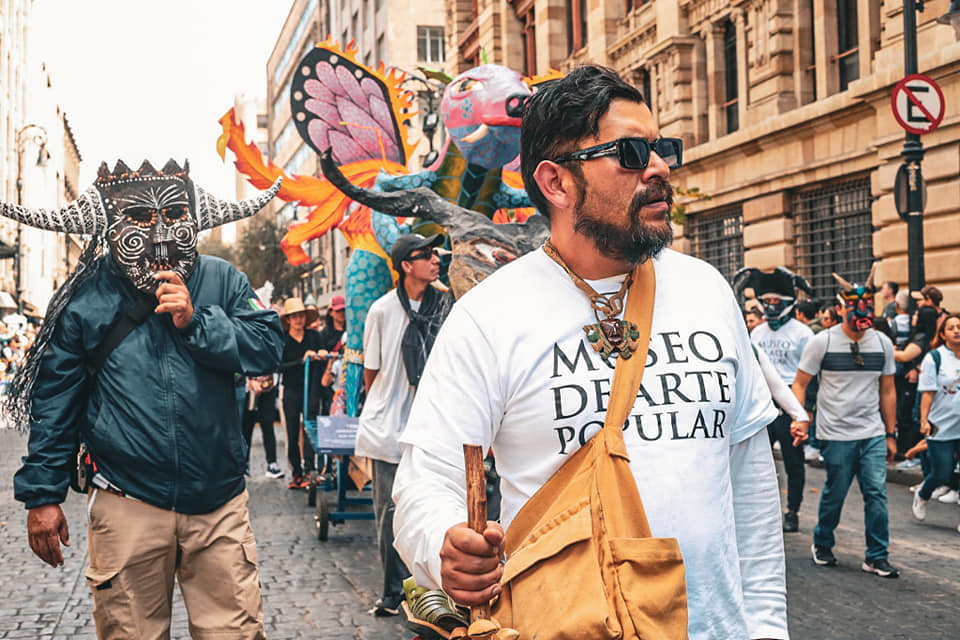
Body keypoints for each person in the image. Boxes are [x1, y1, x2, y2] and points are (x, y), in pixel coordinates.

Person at [392, 65, 787, 640]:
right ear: (556, 183)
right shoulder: (488, 314)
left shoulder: (707, 291)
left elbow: (747, 482)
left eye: (660, 149)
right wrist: (445, 544)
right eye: (630, 153)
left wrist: (767, 628)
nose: (658, 169)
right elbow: (426, 480)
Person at [9, 160, 284, 639]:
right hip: (127, 499)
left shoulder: (224, 279)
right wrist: (42, 496)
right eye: (137, 218)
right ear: (111, 230)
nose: (159, 234)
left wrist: (198, 322)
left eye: (175, 214)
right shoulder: (86, 298)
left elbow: (267, 348)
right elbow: (56, 402)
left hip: (218, 501)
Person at [357, 232, 450, 617]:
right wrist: (388, 407)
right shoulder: (381, 310)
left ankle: (432, 591)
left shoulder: (445, 306)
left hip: (431, 428)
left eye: (435, 254)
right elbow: (371, 373)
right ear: (406, 266)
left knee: (436, 507)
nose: (435, 260)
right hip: (388, 428)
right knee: (389, 515)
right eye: (425, 255)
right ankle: (392, 591)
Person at [791, 269, 899, 578]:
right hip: (835, 433)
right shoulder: (822, 342)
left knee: (876, 492)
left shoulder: (882, 343)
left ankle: (877, 555)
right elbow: (800, 383)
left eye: (867, 305)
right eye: (854, 305)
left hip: (872, 432)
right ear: (842, 308)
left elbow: (888, 389)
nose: (861, 311)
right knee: (835, 491)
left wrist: (891, 434)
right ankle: (823, 541)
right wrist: (800, 417)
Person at [735, 266, 814, 533]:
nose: (770, 306)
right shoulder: (757, 333)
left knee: (793, 463)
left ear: (788, 302)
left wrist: (803, 412)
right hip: (762, 407)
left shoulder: (803, 334)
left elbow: (809, 377)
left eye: (775, 301)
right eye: (765, 301)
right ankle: (758, 512)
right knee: (754, 462)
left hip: (791, 405)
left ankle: (793, 511)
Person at [911, 313, 960, 532]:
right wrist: (924, 420)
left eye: (959, 327)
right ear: (942, 334)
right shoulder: (935, 358)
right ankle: (923, 494)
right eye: (951, 328)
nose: (957, 331)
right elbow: (927, 393)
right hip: (941, 423)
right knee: (942, 473)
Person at [277, 297, 324, 490]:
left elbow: (323, 355)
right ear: (288, 320)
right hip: (291, 391)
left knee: (310, 427)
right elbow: (279, 366)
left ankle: (310, 470)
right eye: (294, 317)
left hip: (311, 389)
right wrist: (301, 361)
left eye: (301, 316)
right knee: (292, 429)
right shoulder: (283, 340)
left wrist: (321, 354)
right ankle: (296, 472)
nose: (298, 320)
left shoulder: (314, 337)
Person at [242, 374, 284, 479]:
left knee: (267, 424)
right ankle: (244, 464)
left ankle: (272, 463)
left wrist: (271, 380)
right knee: (246, 426)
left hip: (268, 385)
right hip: (248, 386)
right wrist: (249, 380)